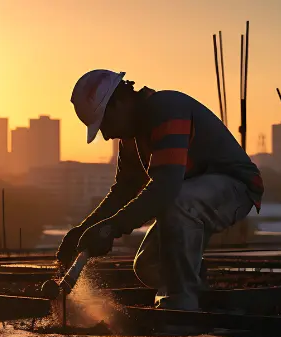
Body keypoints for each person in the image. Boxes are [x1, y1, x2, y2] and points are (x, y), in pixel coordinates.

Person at [57, 69, 264, 312]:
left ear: (121, 102)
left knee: (178, 202)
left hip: (235, 188)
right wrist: (84, 230)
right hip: (190, 195)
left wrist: (111, 228)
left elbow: (165, 187)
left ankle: (180, 312)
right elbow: (124, 191)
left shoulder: (167, 109)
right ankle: (201, 292)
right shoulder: (132, 137)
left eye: (105, 122)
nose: (105, 134)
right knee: (149, 264)